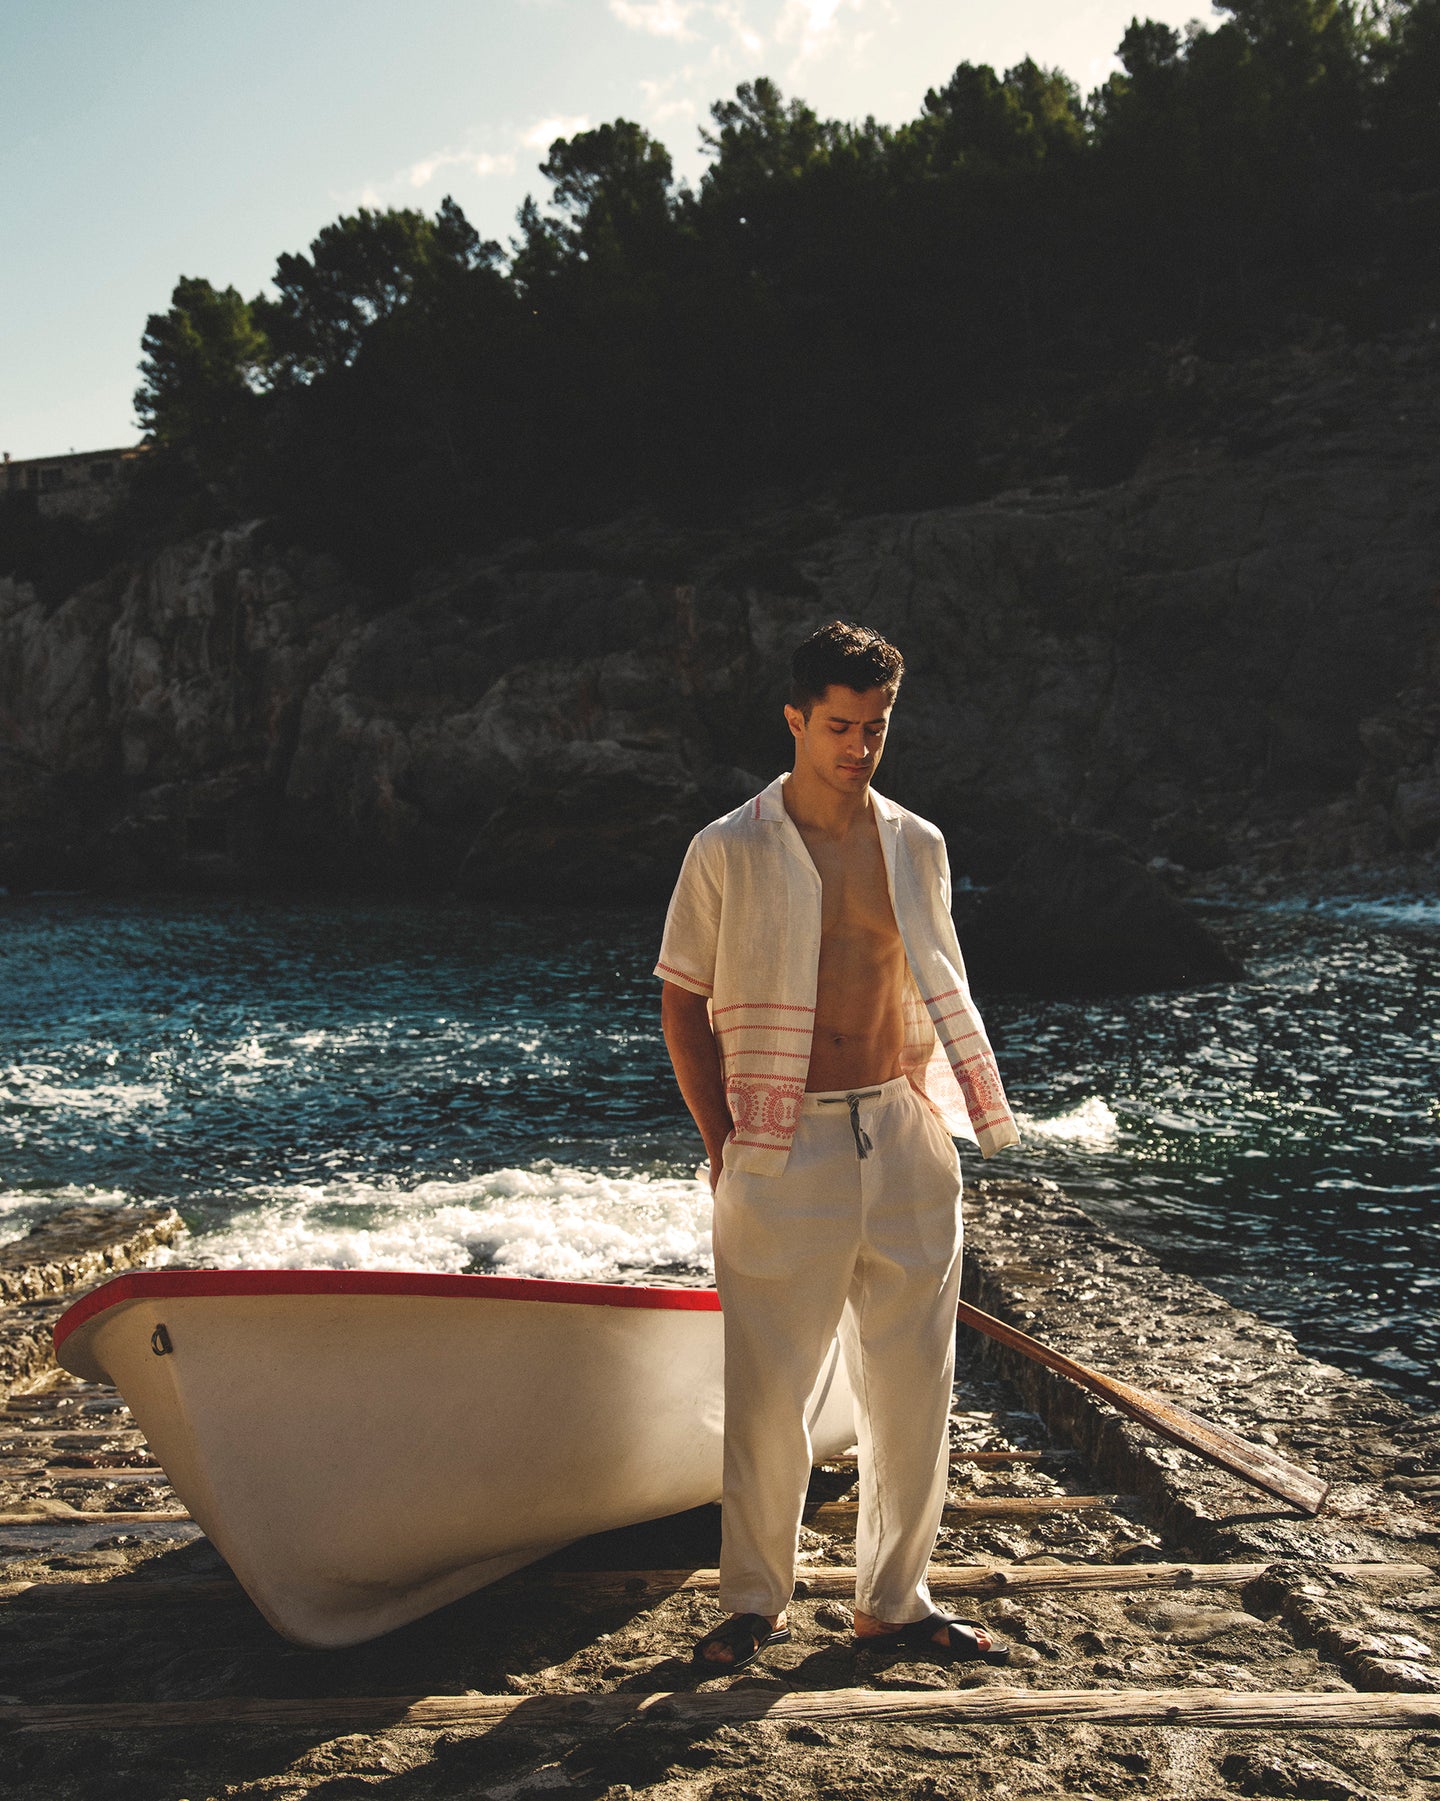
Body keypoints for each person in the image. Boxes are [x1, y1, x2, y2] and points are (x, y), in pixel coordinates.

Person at [655, 619, 1020, 1673]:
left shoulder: (917, 842)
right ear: (795, 720)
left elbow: (932, 980)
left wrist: (937, 1122)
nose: (857, 747)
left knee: (915, 1388)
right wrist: (723, 1142)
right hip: (783, 1142)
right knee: (771, 1389)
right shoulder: (729, 845)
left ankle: (893, 1603)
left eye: (874, 727)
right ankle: (751, 1602)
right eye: (838, 726)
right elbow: (682, 1003)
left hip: (900, 1129)